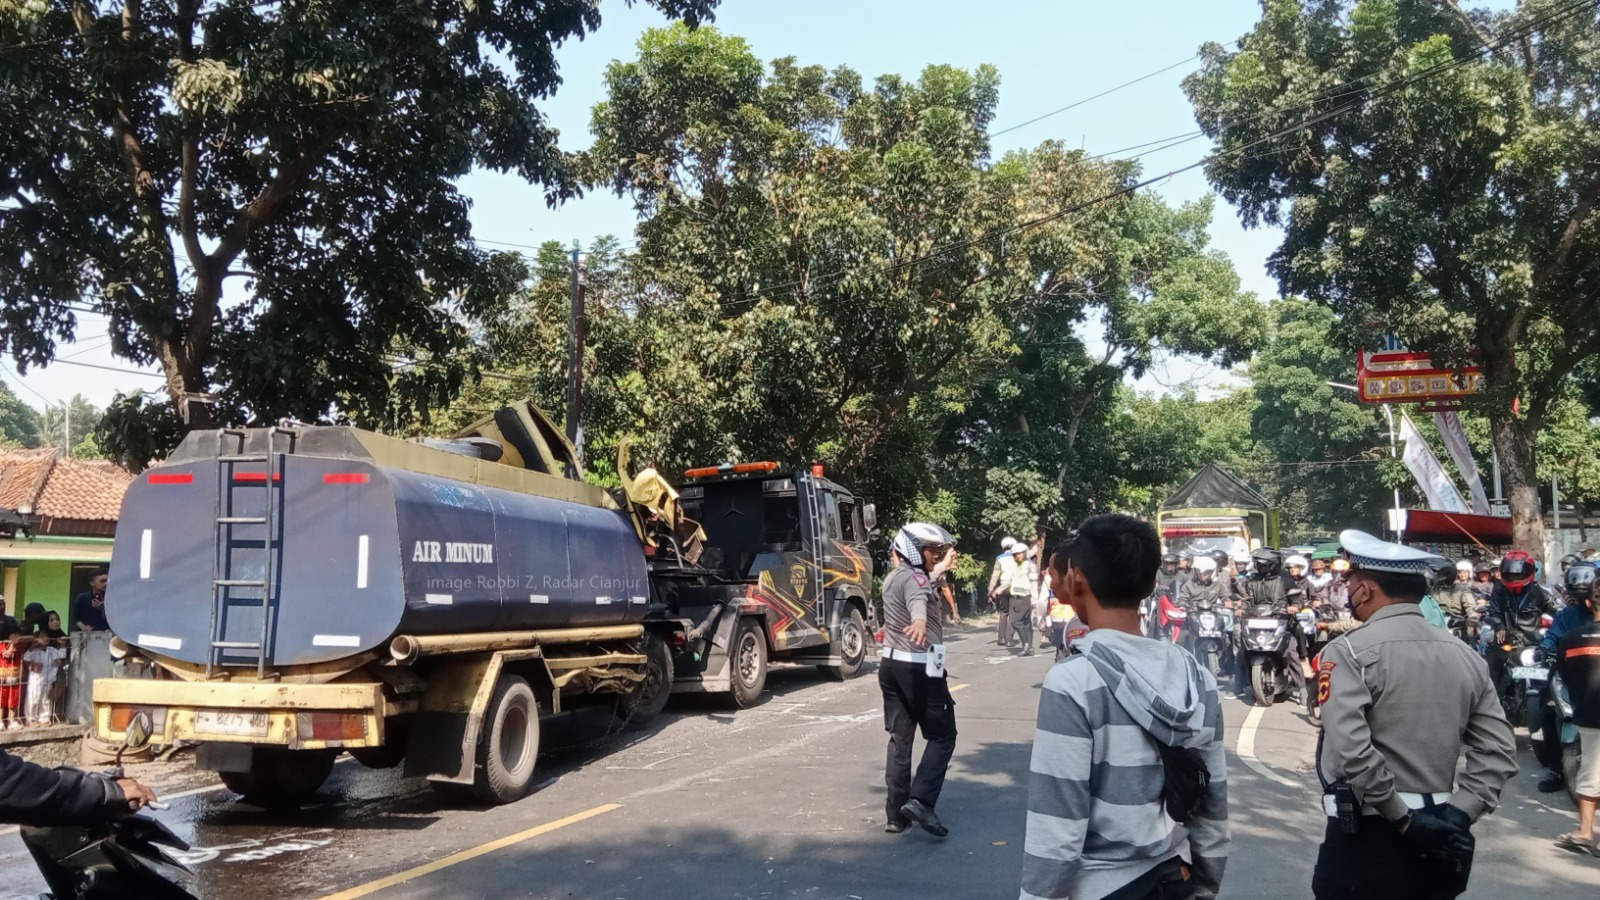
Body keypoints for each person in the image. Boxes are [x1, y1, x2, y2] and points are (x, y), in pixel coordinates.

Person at [1021, 515, 1229, 900]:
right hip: (1176, 878)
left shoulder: (1073, 681)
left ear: (1077, 578)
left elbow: (1058, 826)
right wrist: (1205, 883)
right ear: (1152, 584)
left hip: (1105, 887)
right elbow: (1212, 798)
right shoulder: (1198, 676)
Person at [1312, 530, 1515, 900]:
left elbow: (1351, 750)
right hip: (1444, 829)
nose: (1348, 588)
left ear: (1366, 589)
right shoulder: (1465, 654)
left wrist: (1403, 819)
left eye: (1350, 579)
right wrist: (1461, 814)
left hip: (1371, 834)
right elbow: (1499, 750)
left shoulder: (1347, 652)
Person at [880, 522, 959, 838]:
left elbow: (922, 583)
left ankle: (896, 814)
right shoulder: (915, 580)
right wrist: (920, 623)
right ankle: (921, 800)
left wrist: (938, 567)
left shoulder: (892, 578)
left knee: (901, 739)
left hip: (891, 666)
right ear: (912, 549)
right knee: (943, 735)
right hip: (920, 668)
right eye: (930, 551)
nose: (933, 557)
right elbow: (918, 601)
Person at [1552, 562, 1600, 856]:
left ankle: (1584, 832)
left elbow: (1563, 674)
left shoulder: (1570, 640)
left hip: (1588, 714)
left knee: (1591, 771)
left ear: (1587, 602)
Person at [1484, 551, 1559, 712]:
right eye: (1509, 575)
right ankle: (1489, 707)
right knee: (1489, 669)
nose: (1513, 579)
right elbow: (1494, 612)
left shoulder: (1540, 593)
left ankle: (1552, 703)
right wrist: (1499, 626)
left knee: (1553, 669)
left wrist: (1546, 621)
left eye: (1518, 575)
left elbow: (1554, 610)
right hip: (1506, 641)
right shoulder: (1499, 590)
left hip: (1533, 642)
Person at [1004, 543, 1041, 656]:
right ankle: (1029, 647)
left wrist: (1035, 600)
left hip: (1024, 597)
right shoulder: (1014, 565)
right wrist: (998, 590)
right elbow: (1009, 580)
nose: (1016, 556)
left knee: (1016, 621)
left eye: (1018, 554)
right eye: (1014, 554)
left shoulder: (1030, 566)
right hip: (1014, 597)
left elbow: (1034, 583)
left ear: (1024, 553)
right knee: (1025, 623)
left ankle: (1026, 645)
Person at [990, 538, 1022, 647]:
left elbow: (995, 576)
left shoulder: (999, 558)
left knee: (1003, 613)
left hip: (1002, 588)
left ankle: (1001, 638)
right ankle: (1009, 639)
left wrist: (991, 590)